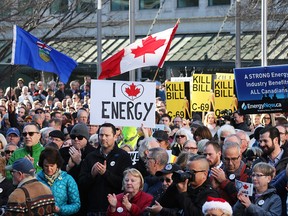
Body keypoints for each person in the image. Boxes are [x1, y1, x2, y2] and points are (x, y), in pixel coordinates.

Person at [78, 123, 132, 215]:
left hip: (115, 209)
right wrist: (92, 175)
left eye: (107, 135)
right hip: (93, 209)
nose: (103, 138)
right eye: (101, 135)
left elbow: (124, 183)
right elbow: (81, 183)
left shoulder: (123, 156)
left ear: (115, 137)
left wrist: (105, 173)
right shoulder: (91, 157)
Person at [37, 147, 80, 215]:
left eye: (52, 166)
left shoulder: (67, 179)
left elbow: (76, 204)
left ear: (57, 164)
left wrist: (60, 209)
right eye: (46, 166)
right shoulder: (36, 180)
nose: (49, 169)